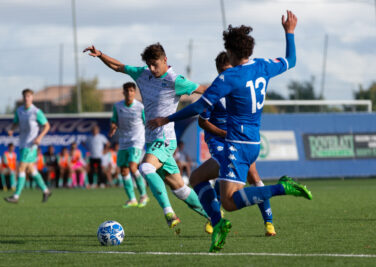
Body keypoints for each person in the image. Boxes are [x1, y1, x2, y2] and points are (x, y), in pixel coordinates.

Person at [148, 11, 312, 252]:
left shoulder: (228, 77)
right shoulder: (264, 66)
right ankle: (218, 224)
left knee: (229, 201)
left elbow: (198, 106)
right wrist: (289, 32)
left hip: (236, 144)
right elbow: (292, 59)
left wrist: (167, 118)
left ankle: (281, 187)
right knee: (195, 178)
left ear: (231, 53)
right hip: (252, 143)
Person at [84, 42, 212, 233]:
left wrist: (228, 95)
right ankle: (215, 217)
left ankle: (169, 213)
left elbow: (205, 90)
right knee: (179, 188)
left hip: (166, 139)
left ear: (165, 60)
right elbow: (119, 67)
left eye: (155, 65)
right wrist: (101, 54)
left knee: (145, 167)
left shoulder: (175, 80)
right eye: (149, 65)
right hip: (152, 140)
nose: (152, 69)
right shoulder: (143, 73)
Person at [195, 51, 276, 236]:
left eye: (229, 70)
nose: (227, 74)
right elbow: (202, 122)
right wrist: (223, 132)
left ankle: (269, 222)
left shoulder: (241, 87)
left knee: (254, 177)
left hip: (240, 139)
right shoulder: (215, 92)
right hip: (219, 141)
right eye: (223, 71)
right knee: (223, 172)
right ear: (218, 72)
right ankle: (214, 217)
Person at [4, 88, 52, 203]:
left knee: (21, 168)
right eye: (25, 96)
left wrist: (39, 138)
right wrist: (11, 130)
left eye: (29, 96)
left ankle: (16, 196)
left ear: (32, 98)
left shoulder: (36, 111)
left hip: (31, 145)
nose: (27, 98)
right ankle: (46, 190)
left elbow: (47, 126)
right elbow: (15, 123)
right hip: (22, 143)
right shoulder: (19, 111)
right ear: (23, 98)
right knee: (31, 169)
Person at [109, 82, 149, 208]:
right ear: (123, 92)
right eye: (127, 91)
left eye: (132, 90)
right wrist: (113, 127)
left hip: (137, 140)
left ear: (134, 92)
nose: (129, 93)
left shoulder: (140, 107)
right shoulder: (117, 106)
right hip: (123, 141)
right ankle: (132, 199)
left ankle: (143, 195)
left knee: (133, 167)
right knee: (124, 170)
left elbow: (146, 122)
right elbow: (114, 120)